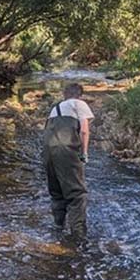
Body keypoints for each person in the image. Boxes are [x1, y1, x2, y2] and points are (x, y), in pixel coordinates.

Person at [43, 82, 94, 233]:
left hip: (48, 151)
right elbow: (84, 130)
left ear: (64, 94)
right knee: (77, 194)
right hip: (67, 150)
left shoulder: (55, 108)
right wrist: (84, 153)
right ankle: (78, 235)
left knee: (57, 191)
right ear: (80, 95)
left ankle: (58, 227)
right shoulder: (79, 104)